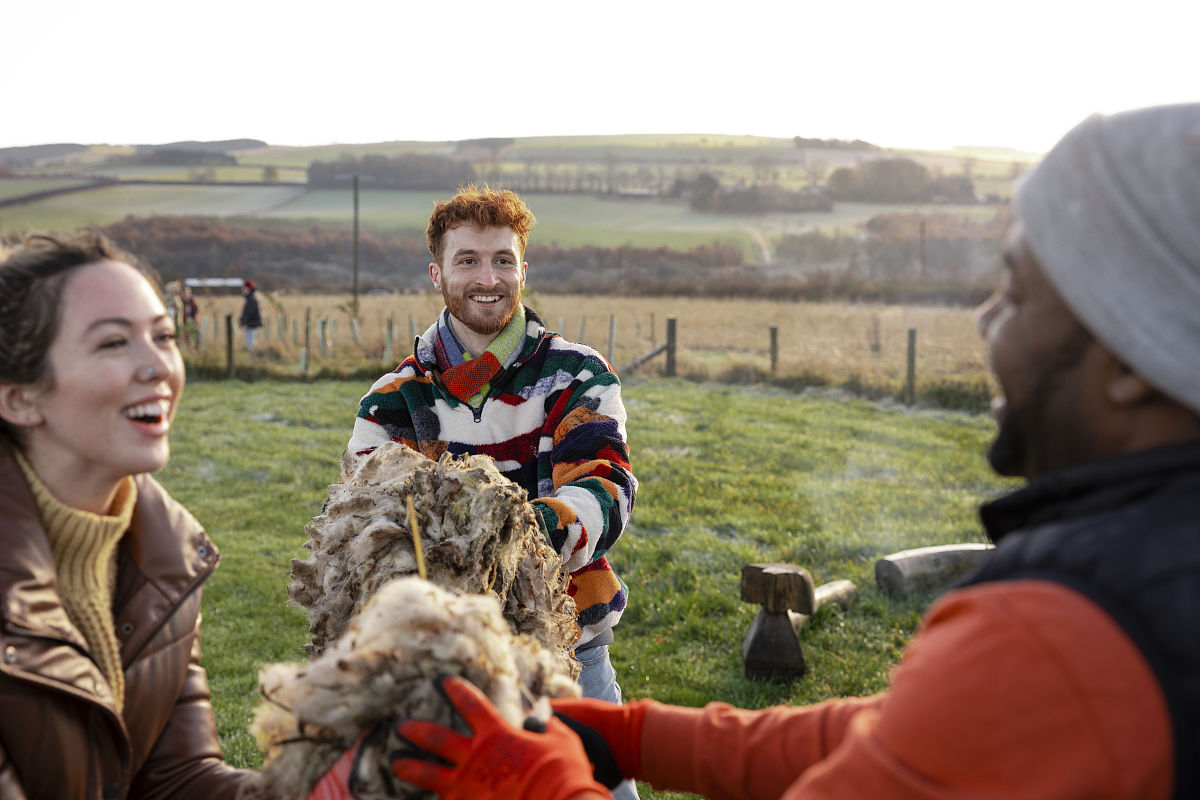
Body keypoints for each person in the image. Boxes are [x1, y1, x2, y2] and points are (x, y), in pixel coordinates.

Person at [384, 104, 1200, 799]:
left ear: (1133, 355)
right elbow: (885, 729)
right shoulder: (1144, 571)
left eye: (1017, 293)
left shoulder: (1062, 631)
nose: (986, 322)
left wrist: (538, 780)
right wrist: (627, 736)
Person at [0, 233, 360, 800]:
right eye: (114, 343)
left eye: (163, 336)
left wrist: (342, 786)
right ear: (20, 397)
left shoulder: (165, 555)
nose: (160, 367)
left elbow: (175, 780)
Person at [346, 185, 640, 798]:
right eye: (468, 260)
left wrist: (511, 541)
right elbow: (369, 526)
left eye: (503, 260)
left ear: (523, 270)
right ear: (437, 273)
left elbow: (604, 487)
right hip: (443, 672)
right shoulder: (394, 399)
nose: (489, 277)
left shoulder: (577, 375)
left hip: (570, 651)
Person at [238, 278, 262, 353]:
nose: (243, 290)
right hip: (251, 325)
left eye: (244, 288)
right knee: (251, 344)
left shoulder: (251, 299)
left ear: (248, 288)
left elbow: (249, 313)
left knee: (251, 344)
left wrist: (244, 323)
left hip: (251, 325)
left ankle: (253, 359)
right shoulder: (251, 298)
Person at [181, 284, 200, 348]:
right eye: (185, 291)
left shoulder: (192, 300)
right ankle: (188, 348)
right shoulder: (181, 300)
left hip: (192, 319)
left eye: (188, 291)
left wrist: (192, 314)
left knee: (195, 334)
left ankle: (196, 347)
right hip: (185, 320)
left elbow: (197, 309)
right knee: (186, 335)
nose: (187, 293)